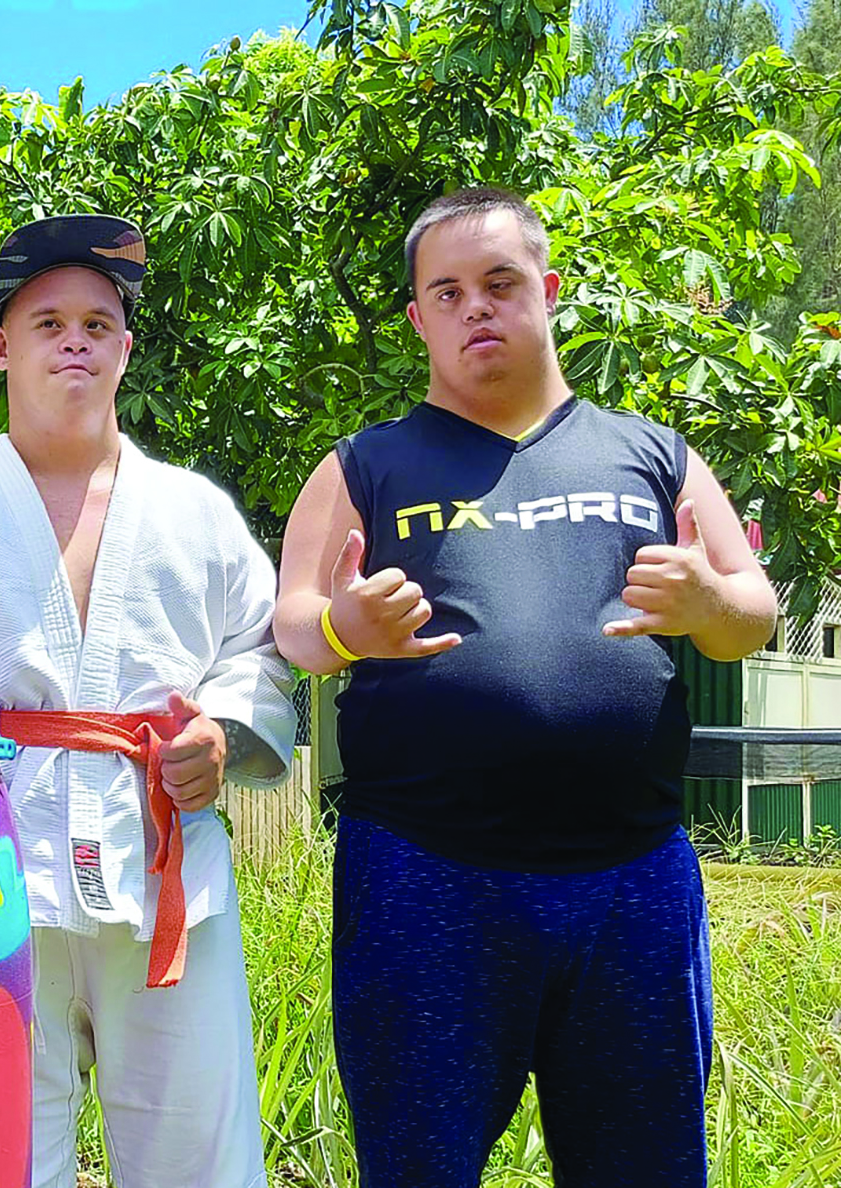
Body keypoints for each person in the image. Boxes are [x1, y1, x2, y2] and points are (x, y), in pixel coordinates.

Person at [273, 187, 778, 1187]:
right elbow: (292, 623)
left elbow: (751, 614)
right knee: (418, 1166)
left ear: (545, 292)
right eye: (447, 292)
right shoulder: (362, 464)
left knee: (645, 1167)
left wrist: (704, 599)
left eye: (499, 284)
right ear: (418, 317)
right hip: (423, 875)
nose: (475, 308)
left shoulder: (651, 452)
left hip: (630, 876)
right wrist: (346, 625)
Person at [0, 214, 298, 1188]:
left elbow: (258, 651)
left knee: (195, 1152)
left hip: (168, 875)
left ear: (123, 346)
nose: (72, 339)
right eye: (44, 323)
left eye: (94, 321)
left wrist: (220, 732)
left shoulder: (193, 511)